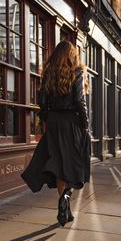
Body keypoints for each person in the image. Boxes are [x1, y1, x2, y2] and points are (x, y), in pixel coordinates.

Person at [21, 41, 91, 226]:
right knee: (75, 166)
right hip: (71, 123)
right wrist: (85, 125)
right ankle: (65, 200)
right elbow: (79, 101)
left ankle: (65, 209)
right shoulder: (77, 72)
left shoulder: (48, 74)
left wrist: (46, 121)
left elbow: (42, 102)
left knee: (60, 167)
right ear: (72, 55)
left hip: (53, 123)